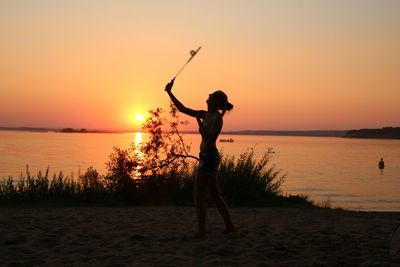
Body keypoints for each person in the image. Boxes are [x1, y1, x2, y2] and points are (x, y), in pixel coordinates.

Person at [165, 78, 235, 237]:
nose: (208, 95)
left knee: (198, 193)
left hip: (209, 157)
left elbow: (209, 137)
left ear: (215, 101)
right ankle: (229, 226)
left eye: (212, 95)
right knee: (215, 195)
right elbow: (182, 108)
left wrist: (199, 123)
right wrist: (170, 92)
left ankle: (202, 231)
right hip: (206, 156)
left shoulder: (217, 118)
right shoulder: (205, 114)